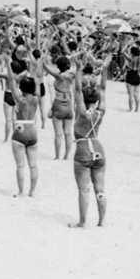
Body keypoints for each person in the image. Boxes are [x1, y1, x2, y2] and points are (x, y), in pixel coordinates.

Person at [69, 58, 109, 227]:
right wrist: (105, 70)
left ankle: (82, 222)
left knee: (84, 189)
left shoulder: (82, 113)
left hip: (83, 148)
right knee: (100, 189)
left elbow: (77, 90)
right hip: (98, 147)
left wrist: (78, 70)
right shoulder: (100, 111)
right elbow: (104, 89)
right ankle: (101, 221)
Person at [4, 61, 40, 198]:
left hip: (20, 130)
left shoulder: (20, 100)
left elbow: (12, 82)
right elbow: (36, 81)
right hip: (32, 130)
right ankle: (32, 192)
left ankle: (21, 192)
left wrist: (8, 64)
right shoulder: (36, 99)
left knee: (20, 166)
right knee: (33, 165)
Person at [44, 55, 76, 160]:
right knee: (68, 133)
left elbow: (47, 67)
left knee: (58, 134)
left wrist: (42, 58)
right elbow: (81, 67)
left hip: (58, 104)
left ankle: (57, 156)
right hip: (69, 105)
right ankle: (66, 156)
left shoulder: (58, 77)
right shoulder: (71, 76)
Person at [123, 44, 140, 111]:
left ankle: (130, 109)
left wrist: (127, 45)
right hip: (137, 75)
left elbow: (122, 52)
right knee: (136, 94)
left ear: (132, 53)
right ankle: (137, 109)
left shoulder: (131, 59)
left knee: (130, 94)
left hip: (130, 74)